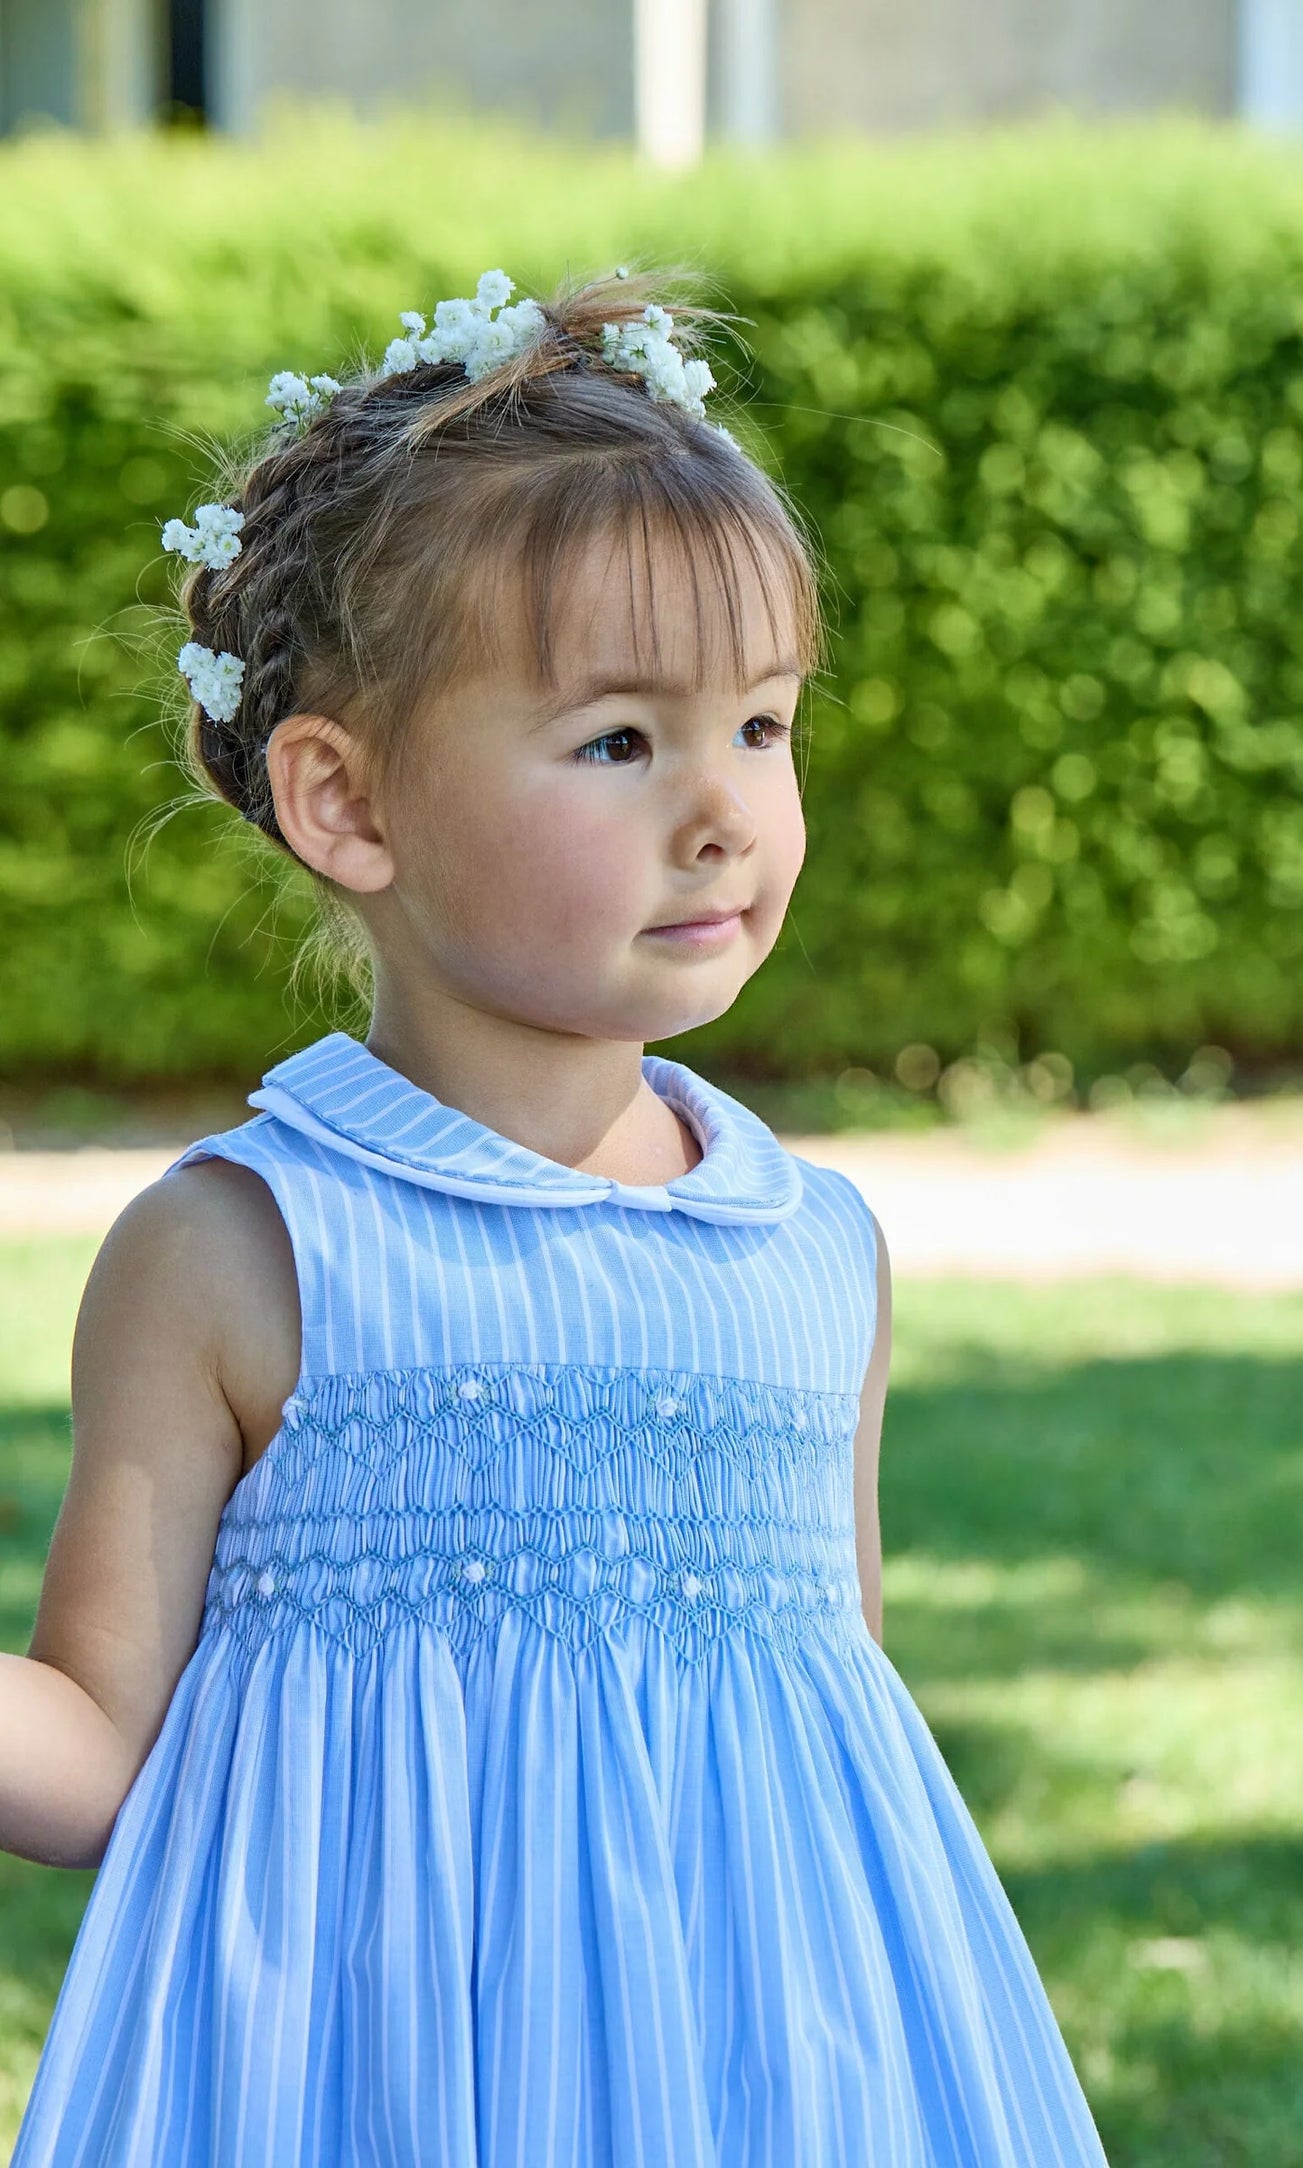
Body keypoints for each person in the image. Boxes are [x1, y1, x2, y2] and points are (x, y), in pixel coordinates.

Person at [2, 263, 1110, 2165]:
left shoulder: (811, 1251)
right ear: (346, 804)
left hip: (768, 2076)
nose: (724, 812)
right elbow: (101, 1752)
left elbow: (827, 1723)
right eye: (620, 741)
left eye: (762, 728)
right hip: (372, 2072)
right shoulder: (248, 1250)